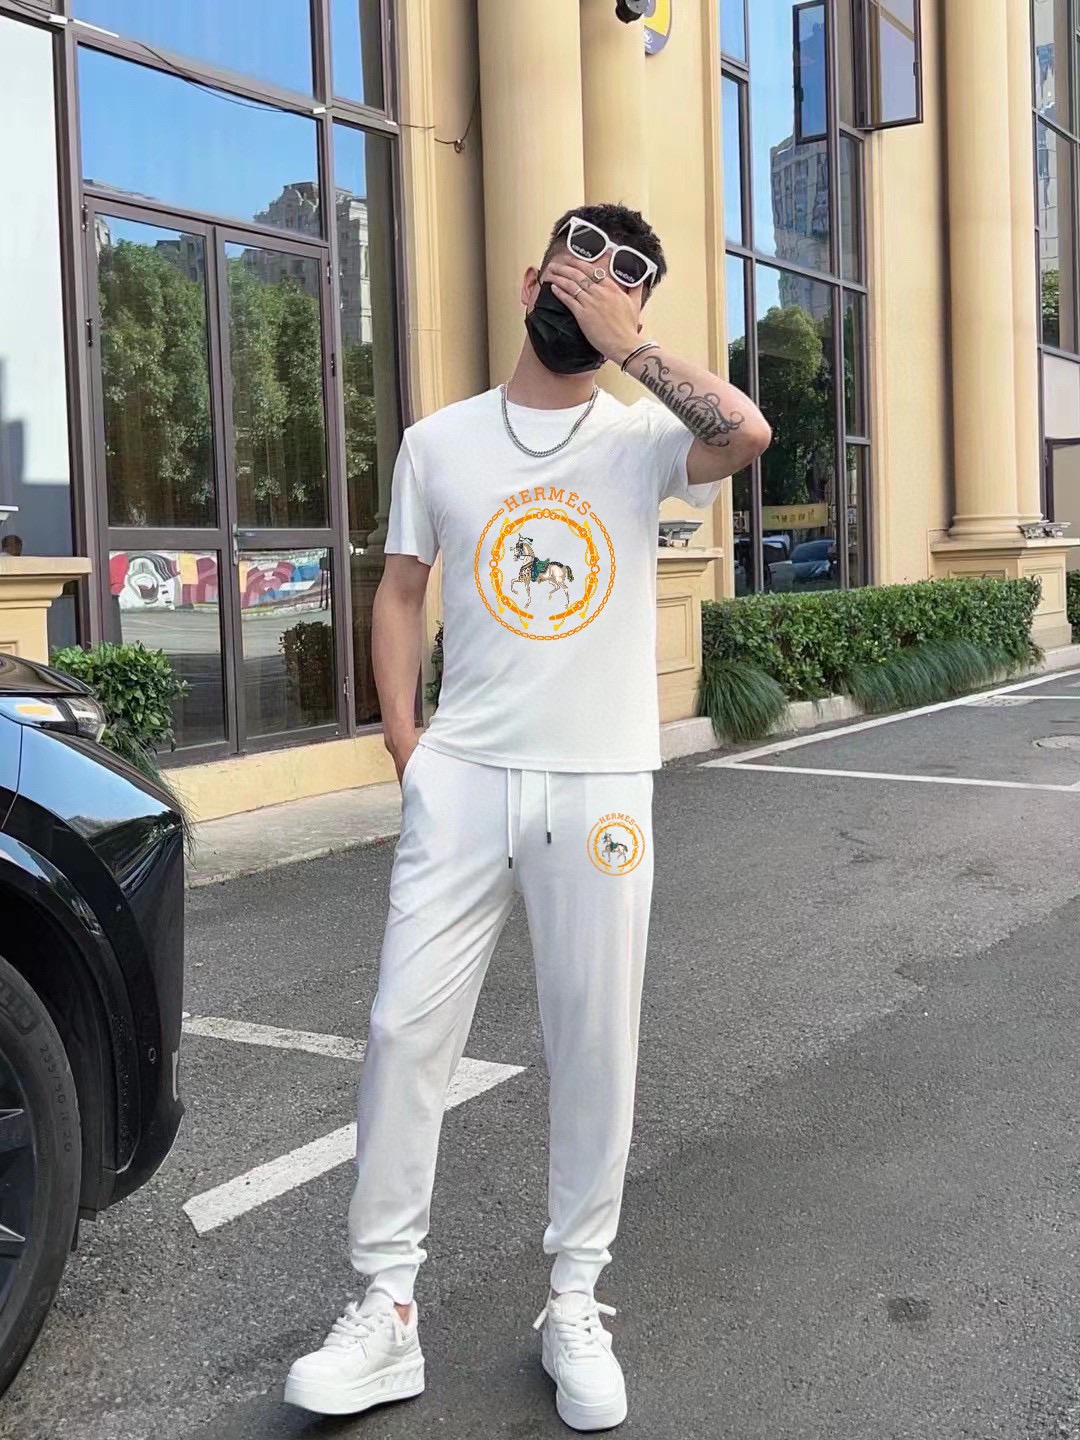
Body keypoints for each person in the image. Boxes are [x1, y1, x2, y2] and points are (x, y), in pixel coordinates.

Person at [285, 203, 772, 1429]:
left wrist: (633, 349)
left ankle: (574, 1300)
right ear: (526, 285)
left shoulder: (642, 440)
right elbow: (402, 590)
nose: (591, 291)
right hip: (464, 777)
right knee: (403, 1030)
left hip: (599, 782)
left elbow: (746, 432)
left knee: (595, 1042)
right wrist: (408, 744)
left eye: (622, 284)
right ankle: (385, 1308)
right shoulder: (439, 442)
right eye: (574, 271)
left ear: (636, 311)